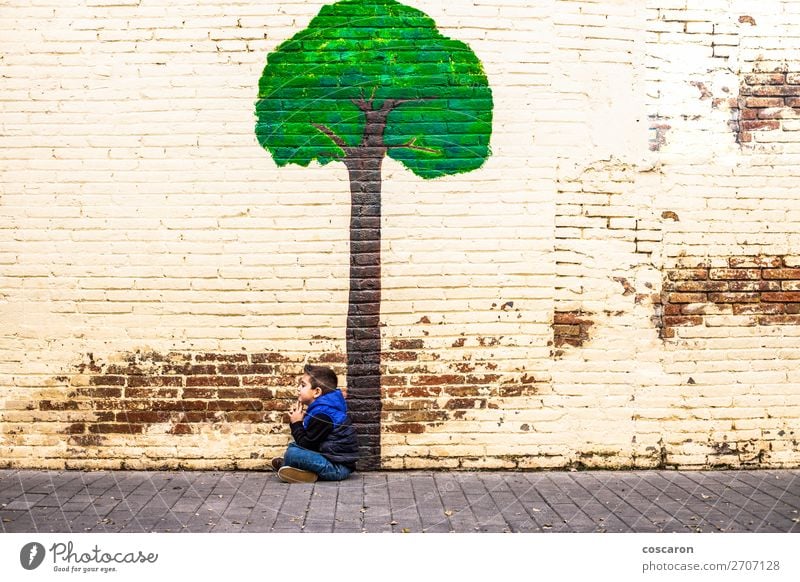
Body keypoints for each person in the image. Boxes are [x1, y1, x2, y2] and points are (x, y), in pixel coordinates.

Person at [271, 364, 359, 483]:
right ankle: (301, 471)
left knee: (292, 453)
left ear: (317, 392)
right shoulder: (322, 409)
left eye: (303, 385)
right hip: (330, 459)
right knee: (293, 447)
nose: (298, 389)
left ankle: (292, 466)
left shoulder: (323, 415)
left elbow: (306, 445)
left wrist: (296, 423)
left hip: (338, 468)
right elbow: (310, 441)